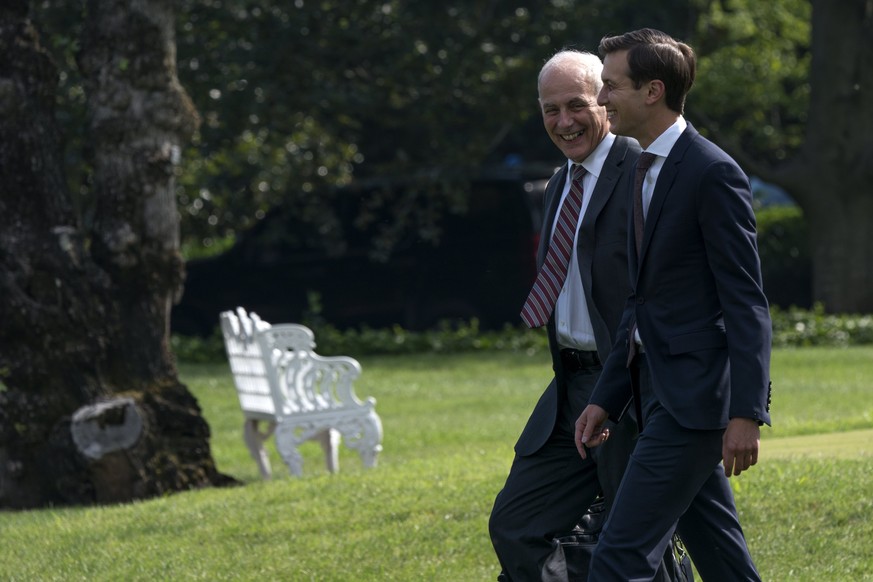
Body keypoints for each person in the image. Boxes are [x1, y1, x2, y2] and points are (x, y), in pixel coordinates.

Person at [575, 28, 773, 581]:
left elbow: (746, 302)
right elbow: (640, 305)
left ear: (652, 91)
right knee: (721, 558)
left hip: (695, 401)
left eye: (610, 86)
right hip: (656, 394)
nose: (601, 99)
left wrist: (746, 412)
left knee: (618, 557)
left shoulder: (711, 172)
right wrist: (607, 397)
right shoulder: (641, 167)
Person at [488, 49, 642, 581]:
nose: (564, 121)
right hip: (568, 389)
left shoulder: (642, 172)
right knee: (516, 525)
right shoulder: (559, 183)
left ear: (604, 100)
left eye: (575, 105)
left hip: (628, 388)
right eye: (550, 110)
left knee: (637, 542)